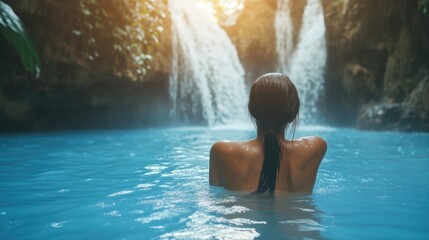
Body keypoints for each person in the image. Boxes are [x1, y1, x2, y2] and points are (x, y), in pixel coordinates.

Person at [209, 73, 327, 193]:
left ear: (251, 110)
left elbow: (214, 195)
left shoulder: (221, 152)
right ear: (293, 114)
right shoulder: (315, 147)